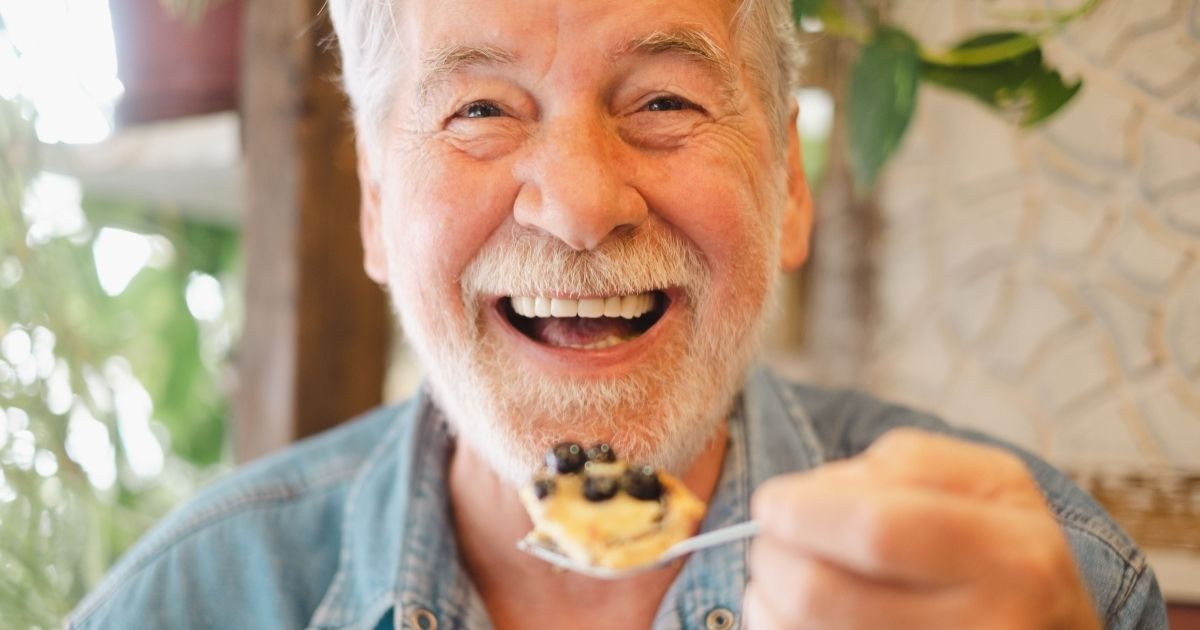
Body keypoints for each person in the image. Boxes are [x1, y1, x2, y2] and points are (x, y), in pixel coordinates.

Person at [69, 0, 1167, 628]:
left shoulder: (1054, 586)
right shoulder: (181, 607)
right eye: (481, 110)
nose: (583, 208)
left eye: (665, 100)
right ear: (373, 209)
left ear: (787, 183)